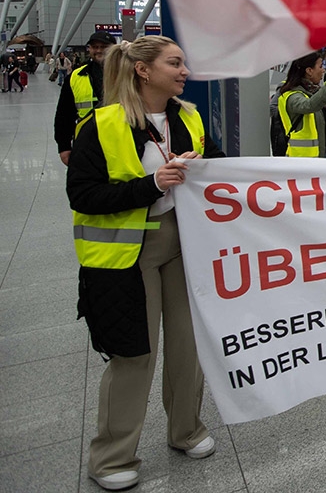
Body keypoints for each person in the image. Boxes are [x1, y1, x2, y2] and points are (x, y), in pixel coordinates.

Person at [67, 36, 222, 491]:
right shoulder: (101, 125)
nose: (184, 71)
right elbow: (84, 195)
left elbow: (216, 166)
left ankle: (186, 430)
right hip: (124, 254)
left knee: (186, 346)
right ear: (142, 70)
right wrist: (151, 184)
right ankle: (112, 457)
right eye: (175, 63)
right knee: (135, 354)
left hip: (183, 244)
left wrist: (203, 167)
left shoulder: (188, 117)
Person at [55, 31, 117, 166]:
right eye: (95, 47)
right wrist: (64, 147)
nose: (99, 50)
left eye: (104, 47)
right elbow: (64, 115)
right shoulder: (75, 77)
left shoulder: (127, 73)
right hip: (87, 141)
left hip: (121, 140)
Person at [278, 51, 326, 158]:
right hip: (304, 164)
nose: (323, 70)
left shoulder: (317, 93)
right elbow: (309, 106)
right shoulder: (291, 96)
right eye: (320, 66)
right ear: (309, 71)